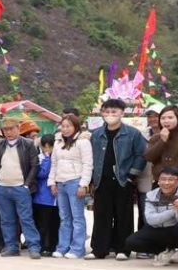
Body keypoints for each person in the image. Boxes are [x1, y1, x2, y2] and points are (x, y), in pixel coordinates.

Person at [88, 99, 147, 260]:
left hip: (123, 180)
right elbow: (90, 158)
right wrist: (91, 180)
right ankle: (99, 249)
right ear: (101, 113)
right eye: (106, 112)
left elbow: (141, 155)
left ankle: (123, 248)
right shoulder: (96, 134)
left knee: (124, 215)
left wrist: (131, 176)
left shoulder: (132, 133)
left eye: (114, 112)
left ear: (122, 113)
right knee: (101, 216)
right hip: (101, 180)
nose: (110, 115)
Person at [122, 167, 178, 270]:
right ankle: (165, 250)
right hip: (158, 228)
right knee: (131, 242)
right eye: (163, 179)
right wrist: (172, 211)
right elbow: (150, 220)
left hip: (177, 230)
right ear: (158, 181)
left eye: (171, 179)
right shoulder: (151, 195)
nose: (166, 183)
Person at [0, 118, 42, 259]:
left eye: (12, 129)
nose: (9, 132)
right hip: (2, 187)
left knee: (26, 219)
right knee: (6, 219)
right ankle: (11, 246)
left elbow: (35, 165)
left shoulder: (28, 144)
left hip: (20, 187)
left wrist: (26, 185)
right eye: (6, 129)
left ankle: (34, 247)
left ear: (18, 128)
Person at [50, 116, 92, 259]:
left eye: (68, 126)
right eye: (63, 126)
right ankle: (62, 247)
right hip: (60, 182)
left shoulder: (83, 142)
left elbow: (88, 164)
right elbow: (54, 163)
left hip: (75, 181)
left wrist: (83, 184)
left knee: (77, 217)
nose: (65, 129)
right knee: (64, 217)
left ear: (76, 127)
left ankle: (77, 248)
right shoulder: (57, 142)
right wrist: (52, 182)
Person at [33, 135, 59, 257]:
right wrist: (48, 159)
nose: (47, 149)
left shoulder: (59, 157)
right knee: (42, 224)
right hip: (42, 198)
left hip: (56, 198)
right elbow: (42, 174)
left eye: (50, 146)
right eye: (45, 146)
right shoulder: (39, 158)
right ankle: (42, 246)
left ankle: (53, 246)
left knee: (55, 223)